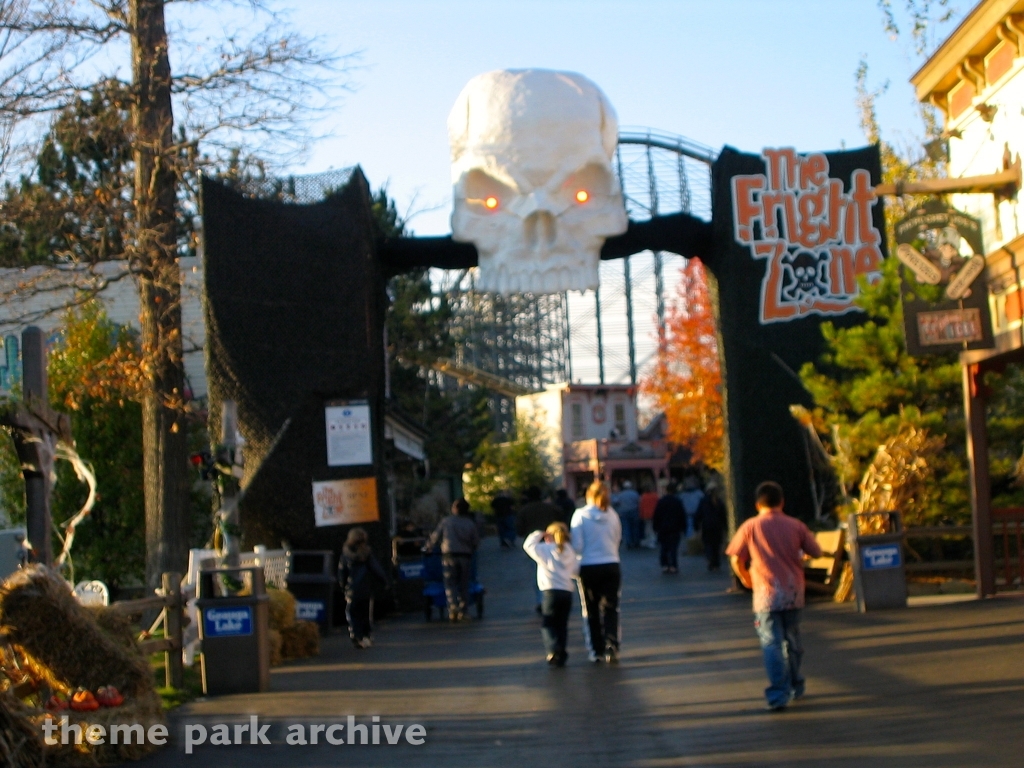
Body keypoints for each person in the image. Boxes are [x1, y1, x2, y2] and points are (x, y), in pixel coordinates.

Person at [725, 481, 822, 711]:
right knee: (793, 640)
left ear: (758, 504)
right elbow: (815, 551)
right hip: (793, 592)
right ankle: (796, 683)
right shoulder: (796, 525)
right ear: (782, 502)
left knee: (771, 643)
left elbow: (736, 558)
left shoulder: (750, 527)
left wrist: (746, 578)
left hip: (765, 594)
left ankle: (778, 693)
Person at [571, 480, 622, 663]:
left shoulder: (580, 515)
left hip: (588, 566)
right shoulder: (613, 515)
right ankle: (612, 643)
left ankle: (596, 650)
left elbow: (577, 546)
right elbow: (618, 538)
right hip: (611, 563)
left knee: (590, 610)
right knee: (611, 608)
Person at [523, 522, 579, 667]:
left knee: (548, 624)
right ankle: (562, 653)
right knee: (562, 624)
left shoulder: (544, 549)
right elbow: (575, 571)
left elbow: (528, 545)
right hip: (567, 591)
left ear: (548, 536)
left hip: (550, 591)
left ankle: (553, 650)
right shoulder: (569, 550)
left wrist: (538, 533)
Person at [427, 497, 480, 621]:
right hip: (465, 556)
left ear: (455, 509)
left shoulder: (446, 521)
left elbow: (435, 537)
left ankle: (453, 607)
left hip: (449, 555)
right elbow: (476, 541)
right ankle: (464, 610)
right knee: (464, 584)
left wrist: (429, 547)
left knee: (450, 583)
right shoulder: (470, 523)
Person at [339, 527, 389, 648]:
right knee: (366, 614)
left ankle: (356, 636)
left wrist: (343, 586)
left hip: (352, 590)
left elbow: (342, 573)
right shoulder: (366, 554)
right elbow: (376, 569)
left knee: (352, 614)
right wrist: (385, 581)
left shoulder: (345, 554)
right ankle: (367, 635)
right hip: (365, 589)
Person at [652, 482, 686, 574]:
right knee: (673, 548)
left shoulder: (661, 501)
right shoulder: (677, 501)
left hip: (663, 528)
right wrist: (683, 527)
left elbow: (657, 515)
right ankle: (673, 565)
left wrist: (655, 527)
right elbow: (682, 515)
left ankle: (665, 565)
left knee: (664, 547)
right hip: (675, 528)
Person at [697, 482, 728, 571]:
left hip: (706, 526)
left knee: (708, 544)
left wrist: (697, 525)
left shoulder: (703, 501)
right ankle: (716, 563)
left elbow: (699, 513)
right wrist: (725, 527)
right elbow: (723, 515)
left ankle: (710, 559)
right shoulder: (719, 501)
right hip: (717, 526)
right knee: (716, 545)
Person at [613, 480, 641, 549]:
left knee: (626, 527)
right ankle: (636, 542)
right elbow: (639, 501)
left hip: (624, 513)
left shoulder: (621, 494)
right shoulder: (635, 493)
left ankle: (628, 542)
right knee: (635, 527)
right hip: (634, 512)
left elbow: (615, 502)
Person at [638, 481, 660, 549]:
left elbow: (641, 506)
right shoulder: (655, 496)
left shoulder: (643, 496)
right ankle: (653, 540)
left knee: (648, 528)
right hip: (655, 514)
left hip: (646, 514)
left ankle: (650, 540)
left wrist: (641, 514)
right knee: (654, 528)